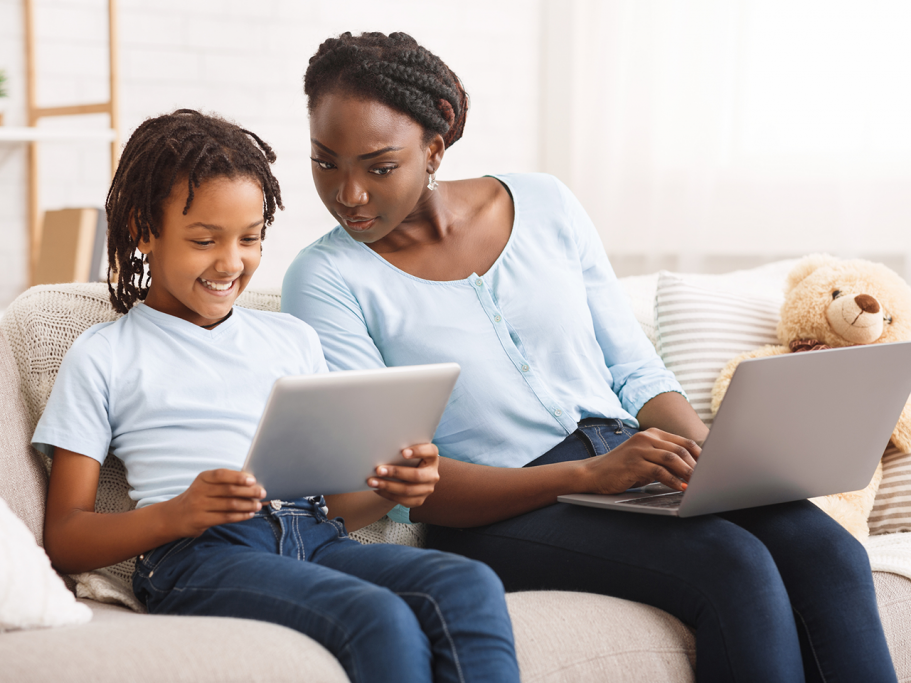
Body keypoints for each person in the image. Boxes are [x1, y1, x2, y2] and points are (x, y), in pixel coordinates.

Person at [281, 32, 897, 683]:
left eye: (378, 167)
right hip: (500, 509)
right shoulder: (326, 278)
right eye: (325, 163)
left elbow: (635, 370)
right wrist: (587, 476)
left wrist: (718, 461)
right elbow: (400, 482)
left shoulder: (545, 203)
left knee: (827, 548)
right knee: (734, 565)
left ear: (434, 149)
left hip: (628, 461)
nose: (348, 194)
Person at [33, 109, 520, 683]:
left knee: (468, 584)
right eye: (202, 240)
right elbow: (65, 536)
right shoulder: (104, 353)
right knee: (379, 618)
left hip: (312, 536)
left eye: (250, 238)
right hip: (201, 555)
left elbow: (334, 506)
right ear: (144, 229)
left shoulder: (291, 338)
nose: (230, 262)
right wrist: (178, 514)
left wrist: (390, 486)